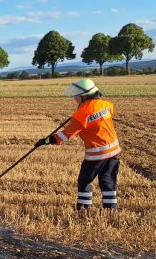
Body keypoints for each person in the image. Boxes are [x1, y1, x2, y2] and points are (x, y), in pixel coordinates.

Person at [35, 78, 121, 212]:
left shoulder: (81, 115)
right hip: (115, 151)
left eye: (76, 97)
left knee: (84, 181)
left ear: (84, 96)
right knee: (107, 181)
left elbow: (64, 136)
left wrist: (45, 141)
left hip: (97, 154)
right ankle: (111, 210)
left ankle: (83, 209)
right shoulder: (107, 105)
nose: (75, 99)